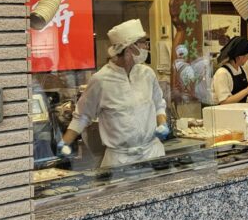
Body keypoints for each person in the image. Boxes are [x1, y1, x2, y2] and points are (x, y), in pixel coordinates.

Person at [57, 19, 169, 167]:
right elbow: (83, 115)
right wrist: (65, 142)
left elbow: (158, 103)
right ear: (130, 48)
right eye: (142, 42)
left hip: (152, 154)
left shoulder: (147, 74)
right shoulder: (101, 80)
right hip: (120, 161)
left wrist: (162, 123)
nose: (146, 47)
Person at [212, 37, 248, 105]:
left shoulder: (242, 70)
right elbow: (224, 102)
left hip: (238, 111)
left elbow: (243, 94)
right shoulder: (222, 73)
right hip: (224, 113)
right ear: (240, 57)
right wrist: (247, 90)